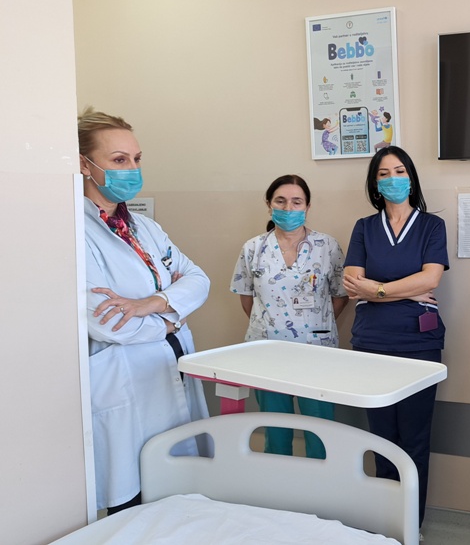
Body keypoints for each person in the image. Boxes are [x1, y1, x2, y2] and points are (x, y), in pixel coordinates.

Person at [79, 108, 211, 514]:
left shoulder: (144, 228)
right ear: (85, 165)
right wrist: (172, 317)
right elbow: (108, 323)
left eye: (136, 159)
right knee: (134, 501)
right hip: (125, 382)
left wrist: (151, 305)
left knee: (181, 490)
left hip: (169, 368)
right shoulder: (73, 231)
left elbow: (199, 279)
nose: (132, 169)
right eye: (119, 160)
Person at [342, 145, 448, 528]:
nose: (392, 179)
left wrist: (378, 289)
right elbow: (352, 284)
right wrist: (405, 290)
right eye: (384, 173)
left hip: (419, 345)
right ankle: (386, 524)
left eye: (400, 171)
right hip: (371, 343)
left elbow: (431, 279)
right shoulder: (364, 227)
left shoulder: (432, 226)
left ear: (411, 178)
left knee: (415, 439)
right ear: (375, 183)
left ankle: (410, 525)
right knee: (382, 438)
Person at [230, 174, 349, 459]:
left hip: (316, 351)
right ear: (269, 205)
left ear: (308, 206)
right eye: (281, 201)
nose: (288, 208)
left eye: (297, 202)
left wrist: (316, 324)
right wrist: (270, 324)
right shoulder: (253, 248)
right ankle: (278, 484)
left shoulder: (327, 246)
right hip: (267, 352)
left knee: (320, 432)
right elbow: (247, 298)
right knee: (276, 432)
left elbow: (340, 294)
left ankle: (320, 486)